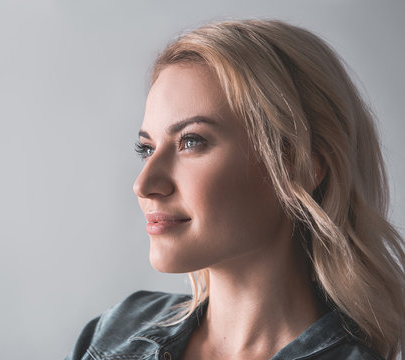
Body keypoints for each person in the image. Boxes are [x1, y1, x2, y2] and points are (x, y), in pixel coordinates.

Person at [66, 19, 404, 360]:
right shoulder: (114, 332)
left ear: (299, 169)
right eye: (148, 148)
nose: (143, 185)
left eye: (191, 141)